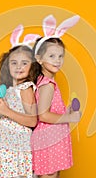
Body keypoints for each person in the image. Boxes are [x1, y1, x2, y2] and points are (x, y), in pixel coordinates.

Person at [0, 25, 40, 178]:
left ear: (32, 66)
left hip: (16, 148)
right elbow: (6, 118)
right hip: (2, 145)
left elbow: (32, 120)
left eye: (24, 63)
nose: (18, 67)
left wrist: (7, 111)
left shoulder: (26, 89)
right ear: (7, 66)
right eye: (14, 63)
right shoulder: (7, 89)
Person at [31, 15, 82, 178]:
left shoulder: (44, 80)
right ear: (39, 59)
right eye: (52, 56)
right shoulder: (47, 84)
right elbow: (43, 115)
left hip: (50, 139)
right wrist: (69, 118)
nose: (58, 60)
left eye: (60, 56)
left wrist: (64, 112)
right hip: (49, 140)